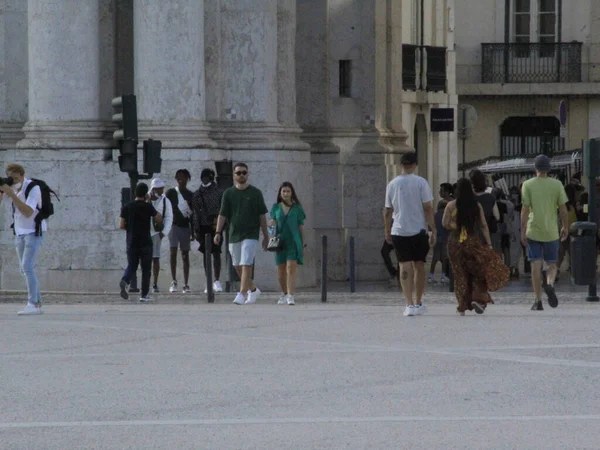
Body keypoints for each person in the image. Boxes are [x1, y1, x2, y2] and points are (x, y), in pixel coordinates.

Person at [442, 179, 509, 315]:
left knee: (459, 274)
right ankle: (478, 299)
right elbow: (483, 225)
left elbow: (445, 223)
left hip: (455, 243)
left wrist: (455, 226)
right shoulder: (476, 205)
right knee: (478, 272)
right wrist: (489, 244)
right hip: (472, 242)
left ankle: (462, 305)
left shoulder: (450, 205)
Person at [384, 152, 435, 317]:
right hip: (418, 230)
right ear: (415, 165)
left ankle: (408, 304)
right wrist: (433, 229)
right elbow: (428, 208)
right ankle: (419, 301)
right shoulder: (421, 182)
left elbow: (387, 211)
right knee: (419, 265)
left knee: (404, 265)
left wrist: (387, 231)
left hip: (399, 229)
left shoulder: (392, 184)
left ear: (401, 165)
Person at [214, 163, 269, 305]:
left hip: (251, 234)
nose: (241, 175)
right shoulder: (228, 193)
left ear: (248, 174)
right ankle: (253, 289)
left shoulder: (256, 193)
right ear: (234, 175)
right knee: (237, 265)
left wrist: (265, 235)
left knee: (246, 264)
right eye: (238, 173)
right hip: (233, 234)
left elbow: (262, 215)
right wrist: (218, 232)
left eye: (244, 172)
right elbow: (222, 215)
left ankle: (241, 293)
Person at [521, 154, 569, 311]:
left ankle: (538, 300)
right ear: (549, 169)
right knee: (552, 264)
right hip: (551, 231)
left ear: (535, 168)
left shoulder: (527, 185)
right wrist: (565, 227)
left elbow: (525, 210)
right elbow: (563, 209)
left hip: (533, 230)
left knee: (535, 263)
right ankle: (549, 284)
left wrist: (522, 231)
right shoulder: (557, 185)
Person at [0, 164, 47, 315]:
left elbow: (27, 212)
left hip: (34, 231)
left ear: (21, 175)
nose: (14, 181)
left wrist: (12, 195)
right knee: (24, 269)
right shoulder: (12, 187)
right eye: (11, 178)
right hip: (20, 232)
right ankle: (37, 303)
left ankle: (33, 304)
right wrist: (3, 191)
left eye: (16, 178)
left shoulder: (33, 188)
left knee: (27, 266)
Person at [119, 182, 163, 303]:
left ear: (134, 193)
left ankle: (125, 280)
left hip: (131, 241)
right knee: (146, 269)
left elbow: (121, 225)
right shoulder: (147, 206)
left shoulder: (127, 207)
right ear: (145, 194)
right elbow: (159, 218)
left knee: (132, 265)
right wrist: (149, 203)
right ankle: (144, 295)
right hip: (145, 242)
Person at [269, 182, 307, 305]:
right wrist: (270, 228)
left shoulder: (297, 208)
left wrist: (302, 241)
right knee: (281, 271)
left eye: (288, 191)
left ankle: (291, 295)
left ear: (292, 193)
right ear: (280, 193)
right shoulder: (276, 207)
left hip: (293, 241)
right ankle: (284, 293)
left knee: (291, 268)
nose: (286, 193)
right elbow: (272, 223)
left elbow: (301, 226)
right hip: (280, 242)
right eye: (284, 191)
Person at [192, 168, 225, 293]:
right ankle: (209, 281)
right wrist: (195, 230)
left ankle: (217, 280)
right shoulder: (197, 194)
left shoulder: (219, 192)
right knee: (206, 254)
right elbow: (195, 213)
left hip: (215, 226)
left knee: (216, 252)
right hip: (202, 227)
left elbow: (223, 211)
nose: (204, 179)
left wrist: (221, 226)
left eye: (207, 177)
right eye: (203, 177)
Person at [165, 169, 193, 293]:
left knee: (185, 255)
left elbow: (193, 214)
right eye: (179, 177)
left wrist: (193, 230)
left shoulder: (190, 195)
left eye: (183, 176)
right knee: (173, 252)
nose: (181, 179)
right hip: (173, 226)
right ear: (176, 179)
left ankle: (186, 283)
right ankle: (174, 281)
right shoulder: (171, 193)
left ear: (188, 178)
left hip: (185, 227)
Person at [149, 178, 173, 293]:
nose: (162, 191)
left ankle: (155, 283)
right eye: (159, 189)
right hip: (144, 232)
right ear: (154, 189)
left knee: (155, 258)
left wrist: (164, 233)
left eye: (162, 189)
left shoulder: (165, 201)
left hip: (156, 233)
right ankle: (146, 282)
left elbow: (169, 217)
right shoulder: (146, 198)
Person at [470, 169, 501, 253]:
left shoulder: (469, 198)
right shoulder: (490, 197)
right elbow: (497, 216)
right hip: (485, 234)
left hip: (469, 234)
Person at [428, 199, 450, 284]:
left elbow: (430, 227)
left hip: (436, 237)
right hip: (445, 238)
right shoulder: (446, 215)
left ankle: (431, 275)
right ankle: (443, 276)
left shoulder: (435, 215)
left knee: (435, 257)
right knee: (444, 257)